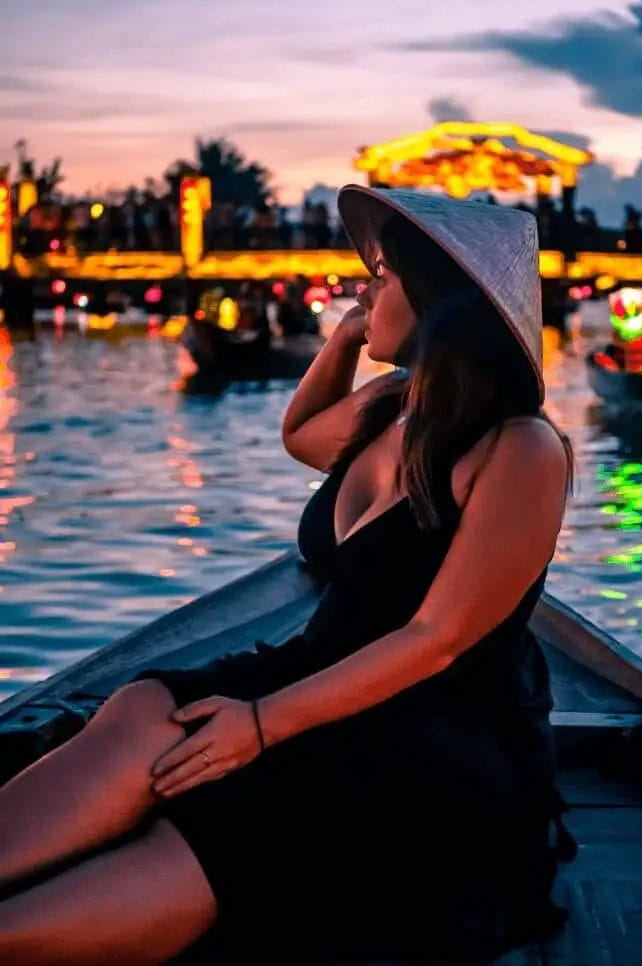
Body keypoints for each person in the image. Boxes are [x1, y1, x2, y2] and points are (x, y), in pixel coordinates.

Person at [0, 185, 576, 963]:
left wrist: (264, 724)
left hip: (429, 734)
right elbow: (302, 434)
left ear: (442, 299)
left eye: (380, 275)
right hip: (311, 672)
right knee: (147, 707)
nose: (362, 287)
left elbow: (436, 641)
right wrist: (346, 341)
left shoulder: (521, 448)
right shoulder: (393, 407)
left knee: (236, 821)